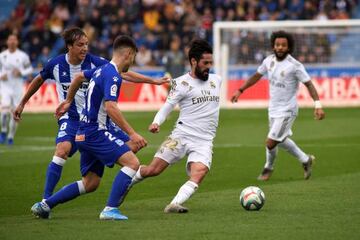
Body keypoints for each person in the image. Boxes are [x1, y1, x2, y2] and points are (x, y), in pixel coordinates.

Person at [13, 27, 168, 202]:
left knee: (133, 147)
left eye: (86, 44)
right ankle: (46, 199)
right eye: (80, 45)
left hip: (95, 120)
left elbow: (121, 72)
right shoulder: (55, 64)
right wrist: (22, 103)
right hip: (71, 118)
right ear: (69, 46)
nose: (85, 48)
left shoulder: (95, 63)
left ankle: (102, 159)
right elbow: (39, 79)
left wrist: (153, 81)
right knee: (62, 149)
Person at [31, 35, 146, 220]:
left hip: (84, 132)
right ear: (128, 54)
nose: (132, 62)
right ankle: (110, 209)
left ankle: (45, 205)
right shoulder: (112, 74)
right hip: (96, 132)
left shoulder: (101, 70)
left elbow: (77, 78)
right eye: (133, 57)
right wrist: (132, 133)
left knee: (91, 183)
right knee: (132, 163)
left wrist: (68, 101)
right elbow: (111, 107)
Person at [129, 39, 221, 213]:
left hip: (204, 141)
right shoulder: (180, 83)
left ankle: (174, 204)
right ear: (193, 61)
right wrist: (156, 122)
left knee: (199, 172)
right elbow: (166, 108)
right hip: (181, 135)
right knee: (153, 170)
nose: (209, 66)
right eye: (205, 63)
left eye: (211, 62)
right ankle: (127, 182)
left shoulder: (217, 80)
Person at [231, 30, 325, 181]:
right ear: (273, 46)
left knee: (270, 142)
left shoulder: (295, 65)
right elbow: (256, 76)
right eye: (277, 44)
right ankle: (305, 160)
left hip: (288, 110)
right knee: (280, 141)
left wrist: (318, 105)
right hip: (273, 109)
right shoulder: (268, 61)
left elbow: (309, 84)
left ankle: (268, 168)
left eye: (283, 45)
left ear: (289, 47)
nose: (280, 47)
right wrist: (240, 90)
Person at [0, 34, 33, 145]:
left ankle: (10, 137)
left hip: (17, 88)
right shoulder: (2, 56)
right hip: (5, 87)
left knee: (15, 113)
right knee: (4, 112)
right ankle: (4, 130)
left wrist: (21, 72)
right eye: (10, 39)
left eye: (14, 39)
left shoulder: (22, 56)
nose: (12, 41)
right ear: (7, 42)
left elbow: (29, 69)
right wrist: (1, 75)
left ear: (17, 42)